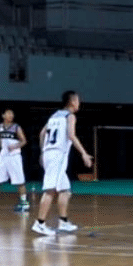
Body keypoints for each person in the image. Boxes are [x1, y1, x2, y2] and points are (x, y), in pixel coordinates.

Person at [32, 91, 93, 236]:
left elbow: (42, 134)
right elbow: (71, 135)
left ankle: (63, 222)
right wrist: (84, 153)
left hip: (49, 154)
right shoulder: (70, 116)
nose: (79, 103)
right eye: (78, 100)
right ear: (72, 102)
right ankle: (40, 223)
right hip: (57, 156)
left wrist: (43, 152)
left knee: (65, 190)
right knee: (50, 190)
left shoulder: (54, 116)